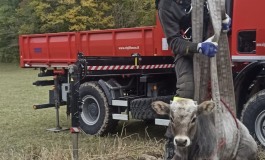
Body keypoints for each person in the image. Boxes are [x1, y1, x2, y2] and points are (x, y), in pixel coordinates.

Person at [155, 0, 231, 159]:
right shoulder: (166, 6)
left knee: (223, 86)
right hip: (186, 52)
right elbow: (174, 42)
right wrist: (199, 47)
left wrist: (224, 18)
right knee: (187, 88)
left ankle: (225, 134)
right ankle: (171, 142)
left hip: (211, 45)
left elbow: (217, 4)